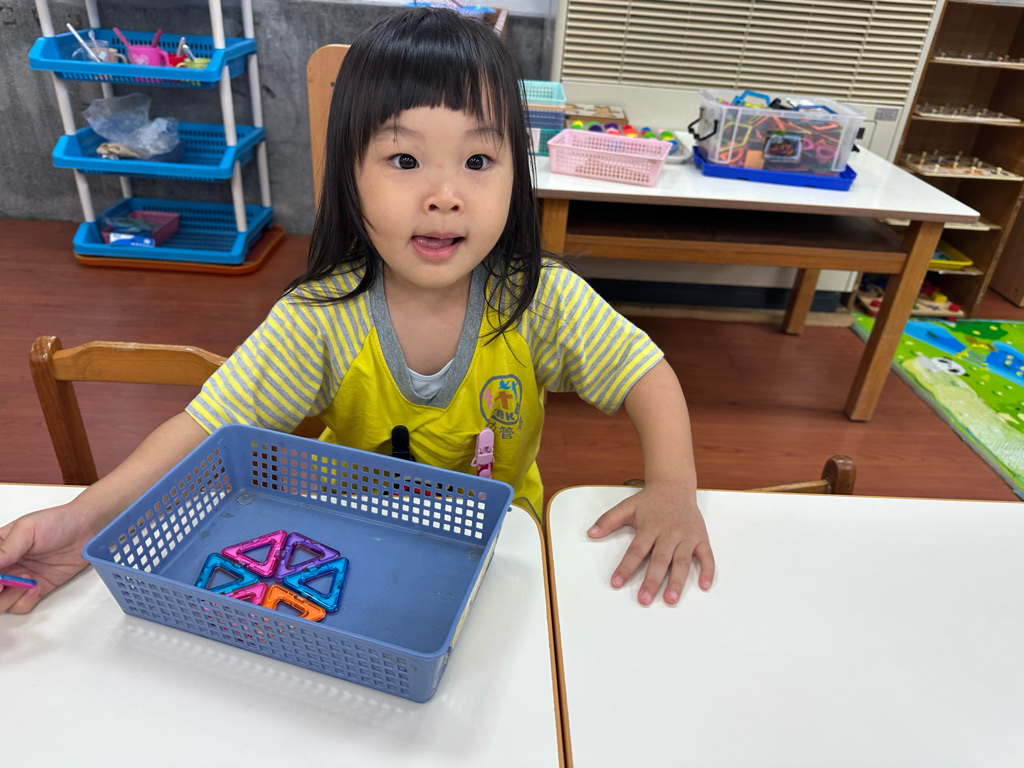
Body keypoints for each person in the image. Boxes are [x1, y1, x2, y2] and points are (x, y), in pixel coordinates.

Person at [0, 7, 713, 615]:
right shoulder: (322, 316)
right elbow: (205, 427)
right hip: (351, 549)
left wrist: (674, 488)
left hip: (503, 549)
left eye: (477, 161)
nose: (444, 196)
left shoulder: (538, 296)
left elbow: (646, 374)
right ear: (351, 174)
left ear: (514, 176)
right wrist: (83, 518)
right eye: (404, 161)